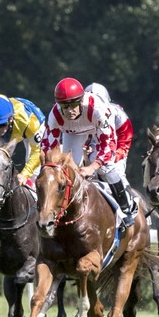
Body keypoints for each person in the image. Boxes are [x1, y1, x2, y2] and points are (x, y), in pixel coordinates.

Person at [40, 77, 135, 229]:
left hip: (102, 129)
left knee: (107, 167)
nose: (70, 110)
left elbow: (108, 143)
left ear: (82, 100)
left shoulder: (98, 109)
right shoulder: (55, 114)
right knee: (68, 169)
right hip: (74, 133)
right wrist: (48, 167)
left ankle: (125, 209)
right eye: (65, 105)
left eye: (74, 104)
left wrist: (92, 167)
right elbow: (47, 145)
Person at [0, 94, 46, 188]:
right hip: (14, 126)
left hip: (30, 124)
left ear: (11, 119)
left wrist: (24, 174)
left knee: (34, 172)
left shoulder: (29, 122)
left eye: (2, 124)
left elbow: (37, 151)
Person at [84, 83, 133, 186]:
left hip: (116, 147)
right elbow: (83, 136)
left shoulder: (119, 115)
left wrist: (114, 158)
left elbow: (125, 140)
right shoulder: (83, 112)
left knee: (115, 172)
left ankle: (129, 199)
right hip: (95, 145)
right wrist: (84, 149)